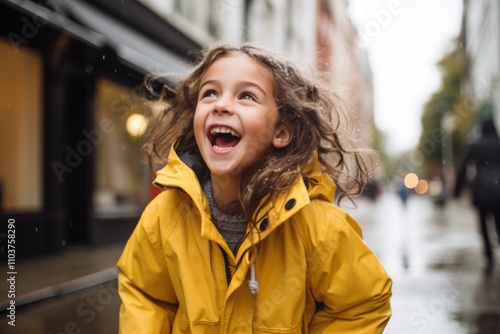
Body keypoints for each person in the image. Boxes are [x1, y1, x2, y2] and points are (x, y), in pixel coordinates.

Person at [117, 43, 392, 333]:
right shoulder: (164, 215)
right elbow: (145, 294)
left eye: (246, 96)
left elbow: (363, 303)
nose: (221, 105)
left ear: (281, 132)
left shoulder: (319, 228)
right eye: (210, 93)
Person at [454, 117, 500, 269]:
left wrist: (456, 191)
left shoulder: (475, 145)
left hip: (482, 190)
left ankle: (488, 255)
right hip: (498, 189)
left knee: (483, 223)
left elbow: (463, 169)